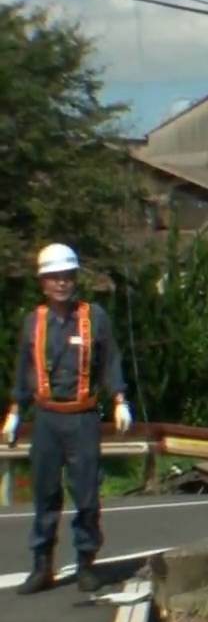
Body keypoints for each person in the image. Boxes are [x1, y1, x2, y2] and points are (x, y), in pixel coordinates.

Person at [3, 243, 131, 595]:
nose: (62, 283)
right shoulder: (35, 322)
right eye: (54, 278)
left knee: (87, 494)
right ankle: (41, 566)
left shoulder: (95, 317)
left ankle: (86, 562)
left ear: (75, 279)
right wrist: (15, 411)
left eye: (67, 276)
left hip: (82, 418)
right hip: (46, 418)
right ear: (43, 282)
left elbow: (111, 361)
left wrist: (120, 399)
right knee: (45, 493)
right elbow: (24, 370)